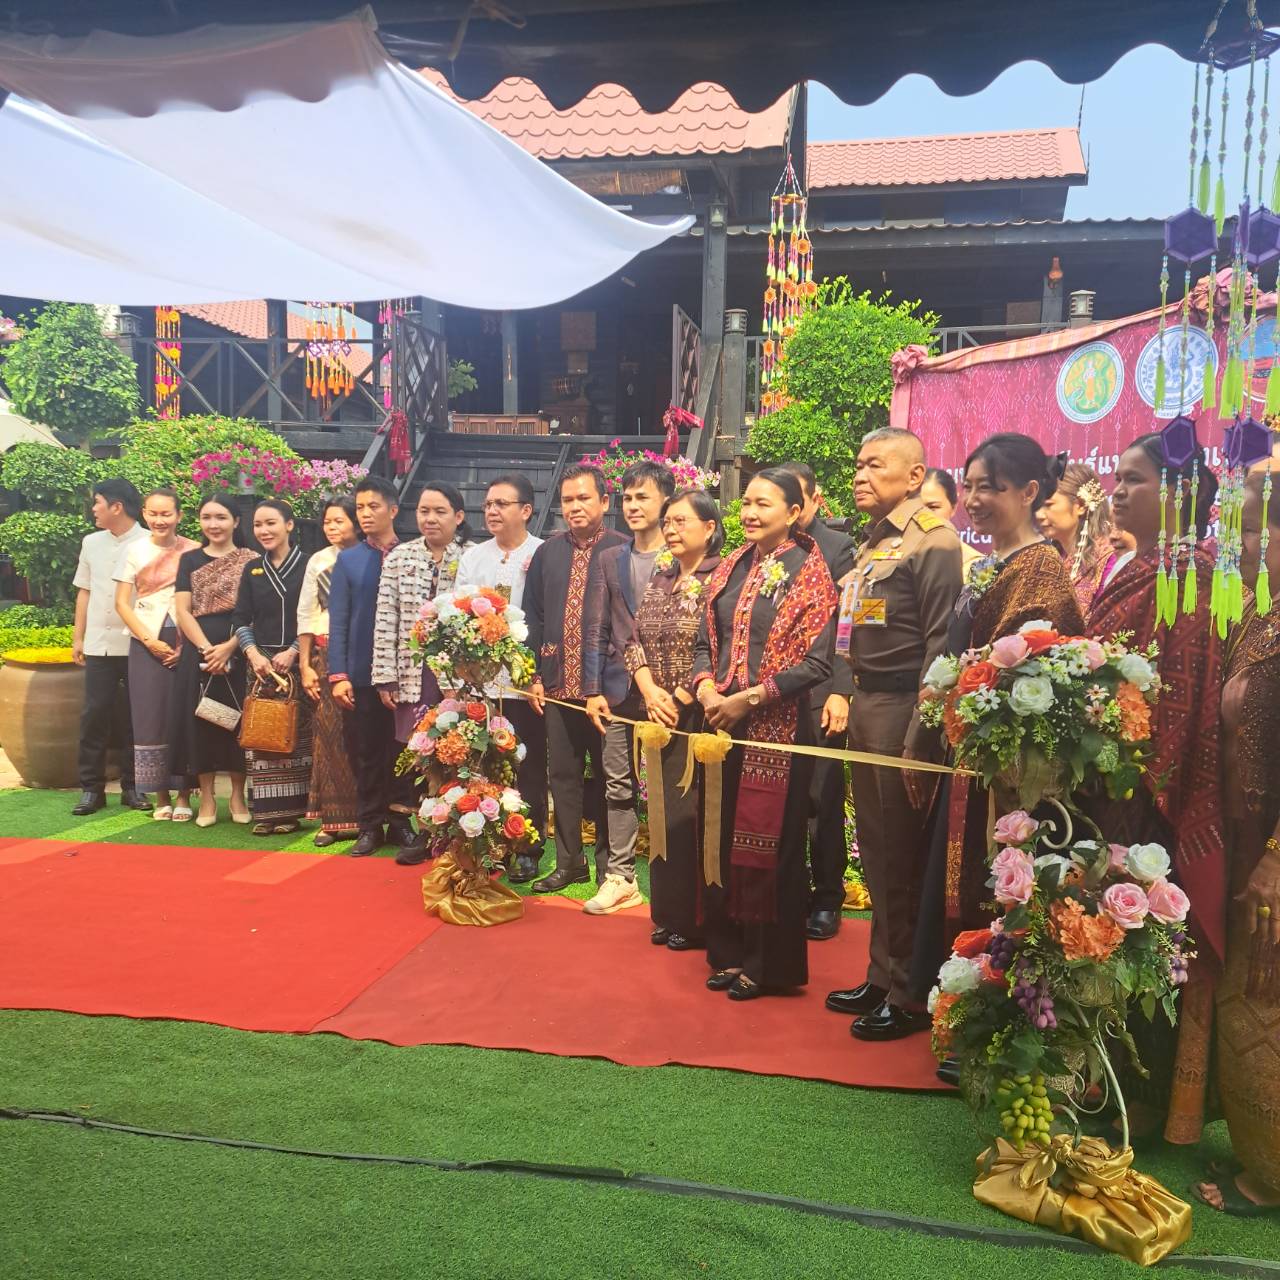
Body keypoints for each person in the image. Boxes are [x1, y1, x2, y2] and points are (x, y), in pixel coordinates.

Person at [910, 434, 1084, 1006]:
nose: (975, 499)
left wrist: (962, 686)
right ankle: (949, 1004)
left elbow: (1037, 668)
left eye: (991, 487)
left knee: (992, 887)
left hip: (1006, 772)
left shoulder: (1040, 567)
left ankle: (985, 1013)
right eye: (969, 486)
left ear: (1030, 492)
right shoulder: (989, 563)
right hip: (967, 752)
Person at [1087, 432, 1225, 1145]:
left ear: (1179, 494)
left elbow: (1183, 686)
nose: (1117, 491)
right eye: (1118, 477)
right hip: (1106, 779)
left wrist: (1140, 765)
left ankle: (1142, 1099)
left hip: (1149, 788)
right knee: (1102, 932)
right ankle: (1105, 1080)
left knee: (1144, 938)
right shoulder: (1133, 565)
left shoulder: (1190, 571)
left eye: (1134, 480)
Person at [825, 428, 964, 1041]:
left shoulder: (934, 542)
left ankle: (908, 991)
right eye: (858, 464)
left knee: (900, 853)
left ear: (913, 476)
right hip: (867, 701)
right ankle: (881, 974)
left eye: (875, 465)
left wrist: (919, 735)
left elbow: (942, 646)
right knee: (877, 849)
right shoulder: (874, 541)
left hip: (903, 706)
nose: (860, 474)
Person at [690, 468, 839, 1000]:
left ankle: (766, 963)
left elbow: (818, 663)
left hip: (776, 728)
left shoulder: (811, 571)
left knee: (769, 848)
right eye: (747, 502)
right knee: (721, 838)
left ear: (794, 512)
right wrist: (706, 689)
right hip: (719, 722)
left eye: (764, 504)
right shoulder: (732, 564)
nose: (750, 513)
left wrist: (748, 699)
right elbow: (705, 641)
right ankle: (728, 951)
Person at [1197, 468, 1280, 1216]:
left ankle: (1271, 1179)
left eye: (1251, 531)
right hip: (1244, 841)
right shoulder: (1258, 613)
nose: (1239, 545)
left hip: (1273, 856)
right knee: (1252, 1000)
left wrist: (1276, 860)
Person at [625, 487, 722, 948]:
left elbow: (718, 647)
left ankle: (696, 920)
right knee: (662, 815)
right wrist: (648, 689)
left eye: (681, 521)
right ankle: (667, 912)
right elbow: (633, 639)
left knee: (694, 817)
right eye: (668, 521)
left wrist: (679, 698)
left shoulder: (720, 577)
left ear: (709, 527)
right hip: (656, 714)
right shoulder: (661, 576)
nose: (671, 529)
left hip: (698, 716)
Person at [525, 464, 628, 893]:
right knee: (562, 776)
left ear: (604, 501)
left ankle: (609, 865)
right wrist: (533, 673)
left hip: (606, 692)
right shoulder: (547, 553)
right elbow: (533, 616)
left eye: (584, 498)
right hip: (556, 685)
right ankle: (569, 862)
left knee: (608, 778)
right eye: (567, 500)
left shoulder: (622, 549)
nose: (574, 507)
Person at [582, 459, 676, 915]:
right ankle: (620, 877)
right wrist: (592, 689)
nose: (633, 506)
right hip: (618, 689)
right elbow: (597, 626)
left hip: (670, 693)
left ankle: (674, 880)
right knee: (617, 783)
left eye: (643, 497)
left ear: (666, 501)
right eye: (628, 498)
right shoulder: (610, 558)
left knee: (672, 788)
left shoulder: (683, 555)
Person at [777, 462, 855, 941]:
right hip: (774, 696)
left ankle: (827, 898)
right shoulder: (767, 552)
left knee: (821, 800)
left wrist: (842, 690)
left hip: (822, 692)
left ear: (809, 501)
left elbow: (847, 625)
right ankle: (790, 893)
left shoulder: (837, 547)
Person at [457, 474, 546, 882]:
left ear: (525, 510)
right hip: (481, 682)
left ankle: (528, 847)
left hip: (525, 683)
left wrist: (535, 673)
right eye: (488, 504)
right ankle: (489, 844)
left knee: (529, 765)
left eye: (501, 504)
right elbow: (458, 615)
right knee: (485, 764)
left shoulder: (542, 553)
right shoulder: (474, 557)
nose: (491, 511)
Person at [372, 482, 476, 813]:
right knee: (416, 748)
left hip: (457, 673)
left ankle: (451, 818)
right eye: (423, 511)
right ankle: (413, 822)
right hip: (410, 671)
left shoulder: (472, 556)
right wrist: (385, 676)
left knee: (455, 746)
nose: (430, 518)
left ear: (458, 516)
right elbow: (385, 618)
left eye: (439, 511)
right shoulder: (399, 557)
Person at [330, 476, 419, 859]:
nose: (365, 514)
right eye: (360, 508)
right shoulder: (349, 559)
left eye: (373, 506)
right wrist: (339, 674)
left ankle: (401, 822)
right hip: (362, 672)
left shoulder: (414, 554)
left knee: (403, 750)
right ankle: (369, 825)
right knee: (365, 750)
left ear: (393, 510)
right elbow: (339, 620)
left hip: (407, 674)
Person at [114, 488, 200, 821]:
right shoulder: (134, 550)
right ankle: (161, 795)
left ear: (179, 515)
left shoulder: (194, 550)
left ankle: (184, 795)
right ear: (144, 514)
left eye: (166, 514)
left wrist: (187, 647)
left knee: (183, 716)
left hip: (185, 639)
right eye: (153, 513)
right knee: (150, 718)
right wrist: (149, 641)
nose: (159, 520)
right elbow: (122, 603)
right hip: (145, 640)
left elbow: (201, 602)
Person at [170, 495, 256, 827]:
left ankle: (237, 795)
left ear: (236, 521)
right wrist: (208, 649)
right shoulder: (189, 560)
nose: (213, 524)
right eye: (206, 517)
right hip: (199, 652)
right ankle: (206, 797)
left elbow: (257, 611)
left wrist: (231, 647)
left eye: (221, 517)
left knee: (238, 722)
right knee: (200, 723)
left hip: (241, 648)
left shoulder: (251, 560)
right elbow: (182, 611)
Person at [71, 478, 152, 816]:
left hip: (138, 643)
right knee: (94, 715)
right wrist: (79, 637)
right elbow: (85, 591)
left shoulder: (149, 542)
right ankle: (92, 789)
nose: (93, 509)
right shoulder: (91, 542)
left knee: (136, 717)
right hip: (99, 644)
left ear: (117, 506)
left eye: (97, 502)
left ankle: (134, 787)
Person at [232, 499, 311, 836]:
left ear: (289, 525)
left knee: (295, 734)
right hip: (262, 666)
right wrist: (253, 654)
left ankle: (292, 811)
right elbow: (240, 617)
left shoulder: (308, 564)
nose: (264, 530)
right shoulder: (253, 569)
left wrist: (293, 650)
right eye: (258, 525)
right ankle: (265, 812)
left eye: (271, 523)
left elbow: (317, 614)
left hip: (298, 661)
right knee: (262, 733)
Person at [298, 495, 362, 848]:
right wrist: (305, 665)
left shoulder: (372, 556)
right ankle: (332, 820)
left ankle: (368, 816)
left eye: (339, 520)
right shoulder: (320, 561)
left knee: (363, 736)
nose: (332, 527)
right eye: (327, 522)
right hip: (326, 654)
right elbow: (306, 613)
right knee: (327, 735)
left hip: (364, 656)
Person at [1036, 462, 1114, 613]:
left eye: (1048, 504)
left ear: (1081, 505)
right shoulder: (1049, 561)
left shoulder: (1109, 560)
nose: (1039, 515)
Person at [920, 467, 983, 575]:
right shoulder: (898, 557)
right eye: (917, 507)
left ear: (953, 507)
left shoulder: (975, 567)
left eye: (933, 507)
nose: (923, 515)